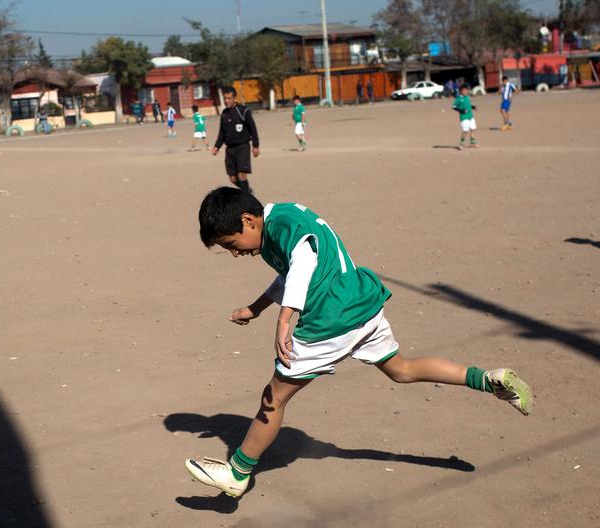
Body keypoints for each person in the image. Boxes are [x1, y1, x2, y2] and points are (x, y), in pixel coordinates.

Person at [185, 187, 533, 499]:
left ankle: (238, 473)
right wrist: (257, 308)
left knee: (273, 399)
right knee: (402, 369)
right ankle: (488, 379)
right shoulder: (284, 219)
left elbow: (304, 266)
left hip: (330, 319)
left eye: (231, 245)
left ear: (248, 221)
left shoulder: (283, 227)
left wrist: (284, 319)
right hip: (361, 304)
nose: (234, 253)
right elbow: (291, 274)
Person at [211, 86, 260, 193]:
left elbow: (253, 128)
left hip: (243, 147)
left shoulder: (243, 111)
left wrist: (256, 146)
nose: (226, 101)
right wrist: (216, 146)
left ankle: (248, 199)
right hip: (230, 150)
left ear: (234, 98)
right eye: (225, 98)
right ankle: (248, 191)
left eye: (229, 98)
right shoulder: (224, 113)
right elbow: (221, 133)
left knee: (242, 175)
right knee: (233, 179)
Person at [451, 84, 478, 148]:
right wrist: (461, 111)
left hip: (470, 116)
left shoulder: (467, 97)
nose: (466, 92)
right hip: (464, 117)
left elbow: (468, 105)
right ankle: (461, 144)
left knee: (473, 129)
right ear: (461, 91)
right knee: (465, 130)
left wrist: (473, 107)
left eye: (466, 90)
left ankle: (472, 143)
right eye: (464, 90)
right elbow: (453, 107)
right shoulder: (459, 98)